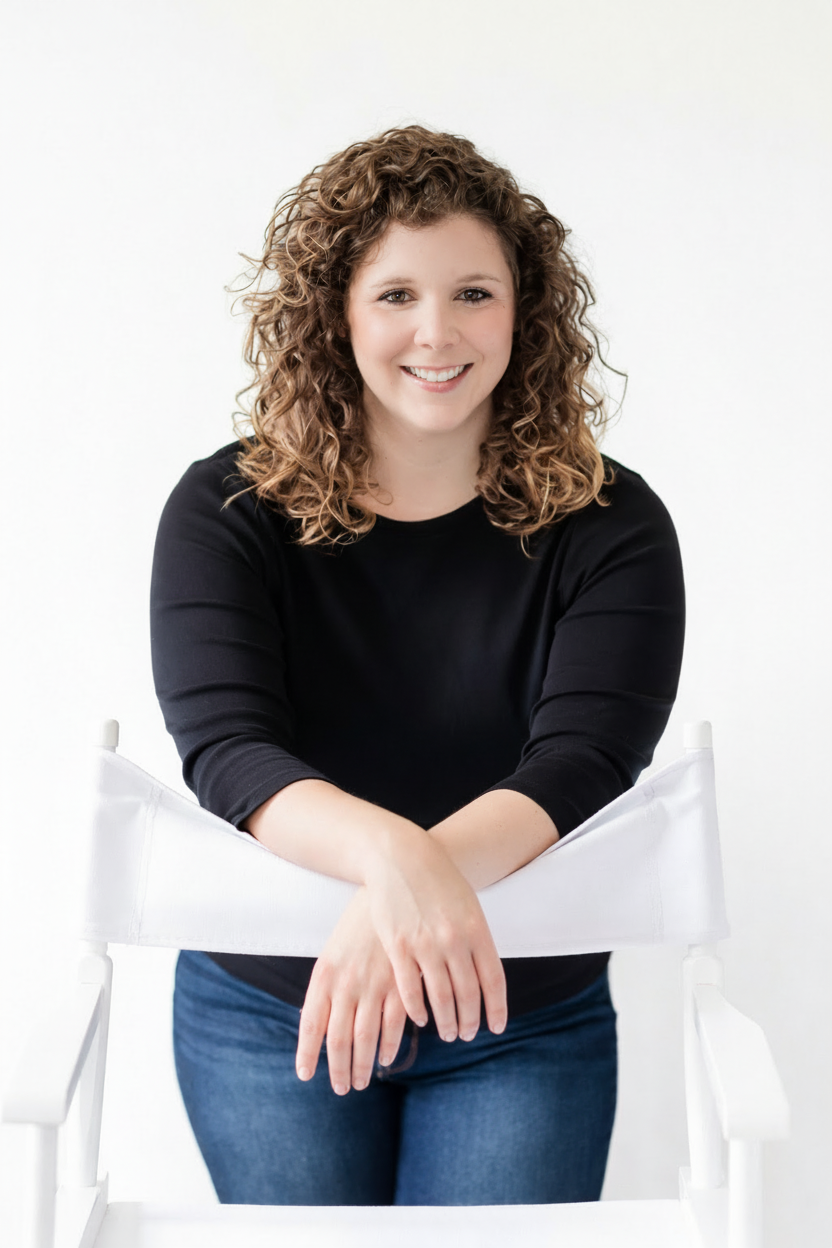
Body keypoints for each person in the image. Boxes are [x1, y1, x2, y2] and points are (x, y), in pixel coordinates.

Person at [150, 125, 685, 1207]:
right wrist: (397, 867)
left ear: (523, 312)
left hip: (516, 1015)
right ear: (335, 313)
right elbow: (228, 749)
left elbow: (583, 760)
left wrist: (394, 891)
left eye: (473, 293)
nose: (435, 332)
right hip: (271, 1011)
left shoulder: (611, 523)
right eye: (394, 294)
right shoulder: (225, 510)